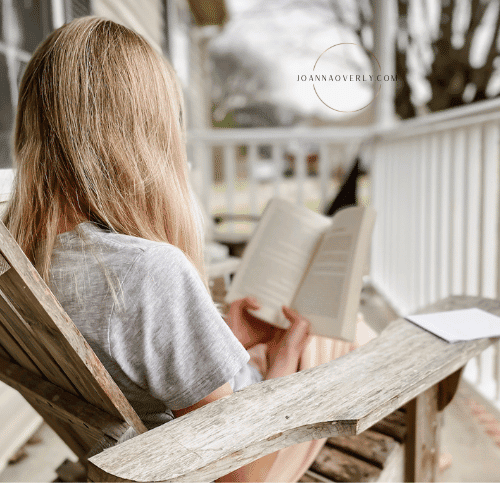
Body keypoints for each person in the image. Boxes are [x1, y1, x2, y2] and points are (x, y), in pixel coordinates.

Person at [5, 16, 374, 482]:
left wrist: (225, 337)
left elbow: (131, 354)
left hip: (137, 448)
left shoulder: (24, 259)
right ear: (145, 136)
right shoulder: (146, 271)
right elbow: (239, 479)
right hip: (215, 466)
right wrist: (284, 364)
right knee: (346, 331)